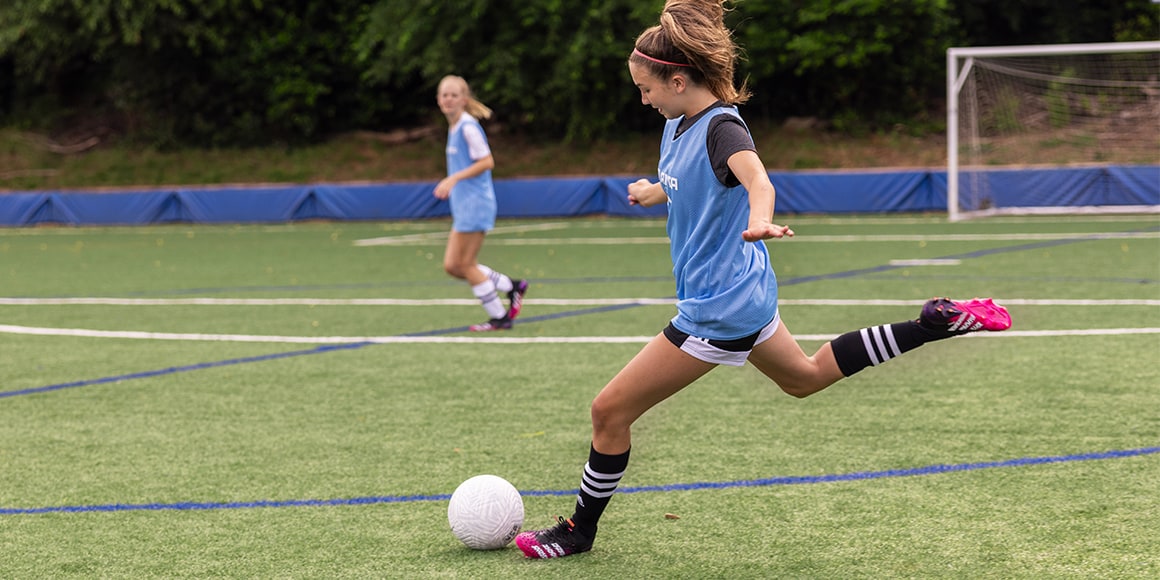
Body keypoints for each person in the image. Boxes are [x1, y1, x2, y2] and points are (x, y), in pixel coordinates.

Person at [514, 0, 1011, 560]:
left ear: (677, 80)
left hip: (718, 309)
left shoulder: (722, 127)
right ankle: (931, 323)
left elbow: (755, 179)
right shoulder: (679, 124)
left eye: (646, 88)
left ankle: (579, 532)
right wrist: (656, 191)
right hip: (745, 295)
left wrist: (759, 220)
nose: (643, 97)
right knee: (804, 376)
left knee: (609, 411)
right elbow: (691, 182)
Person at [433, 75, 528, 331]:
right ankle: (512, 286)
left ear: (464, 99)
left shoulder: (467, 127)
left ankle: (499, 317)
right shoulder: (455, 127)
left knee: (465, 265)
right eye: (444, 95)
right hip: (464, 206)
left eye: (454, 95)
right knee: (453, 265)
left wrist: (453, 179)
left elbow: (487, 162)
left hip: (476, 204)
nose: (448, 99)